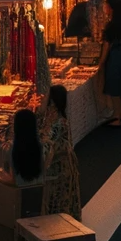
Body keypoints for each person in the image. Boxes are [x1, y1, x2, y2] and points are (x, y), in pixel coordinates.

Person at [40, 85, 82, 217]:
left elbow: (48, 142)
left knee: (58, 198)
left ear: (52, 101)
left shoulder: (58, 122)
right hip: (59, 164)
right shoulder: (54, 117)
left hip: (59, 167)